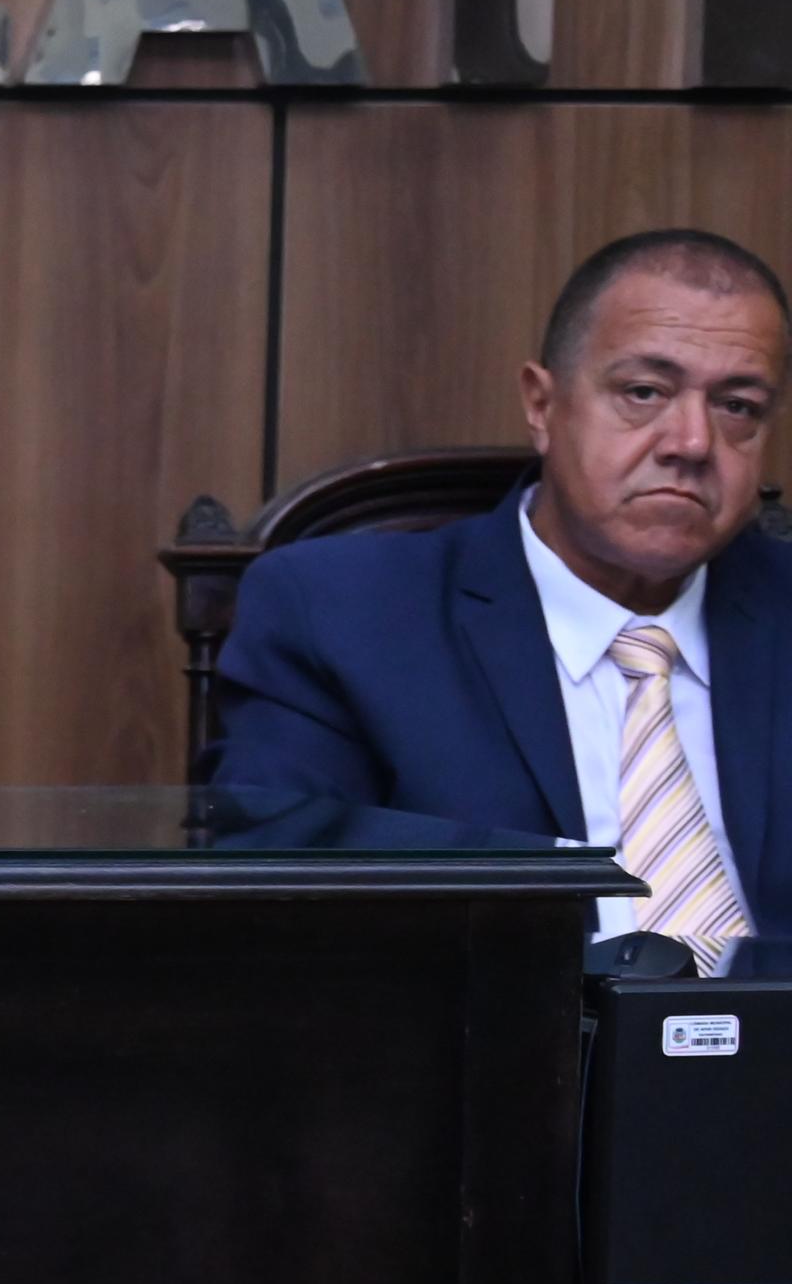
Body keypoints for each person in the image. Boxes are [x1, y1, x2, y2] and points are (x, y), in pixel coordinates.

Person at [217, 228, 786, 965]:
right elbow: (276, 886)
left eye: (738, 406)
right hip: (484, 1061)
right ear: (542, 406)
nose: (692, 442)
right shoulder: (342, 614)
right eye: (644, 392)